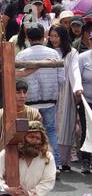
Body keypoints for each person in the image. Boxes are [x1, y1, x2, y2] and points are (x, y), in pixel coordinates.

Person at [16, 22, 64, 171]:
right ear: (44, 36)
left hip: (29, 100)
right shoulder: (54, 54)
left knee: (27, 131)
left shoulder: (22, 54)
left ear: (28, 38)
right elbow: (61, 80)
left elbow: (17, 79)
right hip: (49, 99)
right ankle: (55, 164)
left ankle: (29, 163)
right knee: (49, 131)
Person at [0, 79, 42, 176]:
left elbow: (41, 141)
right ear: (10, 94)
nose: (22, 96)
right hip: (1, 163)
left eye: (24, 92)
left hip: (27, 162)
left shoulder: (35, 115)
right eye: (18, 92)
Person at [47, 25, 83, 172]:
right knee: (51, 126)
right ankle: (50, 159)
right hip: (50, 91)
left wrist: (77, 87)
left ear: (63, 36)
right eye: (52, 36)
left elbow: (75, 70)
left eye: (57, 36)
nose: (54, 39)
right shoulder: (47, 51)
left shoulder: (71, 52)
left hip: (66, 91)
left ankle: (64, 160)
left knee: (66, 125)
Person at [78, 33, 92, 174]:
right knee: (87, 129)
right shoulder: (83, 58)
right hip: (86, 101)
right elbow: (77, 79)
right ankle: (86, 160)